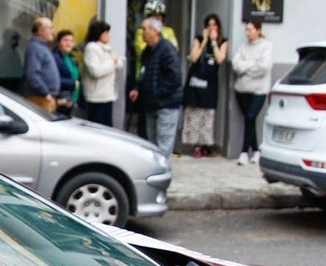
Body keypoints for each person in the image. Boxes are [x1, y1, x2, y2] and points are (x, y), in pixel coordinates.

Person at [128, 17, 182, 156]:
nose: (142, 32)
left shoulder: (167, 50)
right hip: (151, 104)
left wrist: (157, 92)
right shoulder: (147, 51)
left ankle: (162, 173)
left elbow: (175, 77)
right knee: (152, 144)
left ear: (154, 31)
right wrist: (137, 88)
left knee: (163, 145)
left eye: (144, 29)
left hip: (165, 105)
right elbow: (144, 73)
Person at [183, 13, 227, 158]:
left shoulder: (223, 42)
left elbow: (220, 59)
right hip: (196, 82)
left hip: (210, 84)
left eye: (214, 25)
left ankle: (206, 144)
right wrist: (204, 42)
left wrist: (214, 42)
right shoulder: (199, 39)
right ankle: (195, 145)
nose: (211, 28)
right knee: (194, 112)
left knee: (207, 115)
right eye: (209, 25)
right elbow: (194, 57)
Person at [232, 19, 273, 165]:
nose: (248, 33)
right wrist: (252, 63)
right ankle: (256, 151)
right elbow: (236, 65)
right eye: (246, 30)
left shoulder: (266, 46)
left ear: (258, 30)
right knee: (249, 120)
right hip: (242, 89)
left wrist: (245, 64)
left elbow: (264, 67)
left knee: (250, 117)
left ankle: (244, 152)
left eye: (250, 29)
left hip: (259, 90)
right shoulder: (243, 46)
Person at [80, 20, 122, 127]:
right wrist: (112, 61)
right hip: (96, 97)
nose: (108, 36)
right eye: (106, 33)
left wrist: (114, 61)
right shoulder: (92, 48)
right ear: (98, 34)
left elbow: (119, 64)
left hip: (107, 95)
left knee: (108, 127)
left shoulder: (107, 47)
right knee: (97, 128)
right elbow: (96, 71)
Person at [22, 17, 61, 112]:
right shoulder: (35, 48)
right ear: (40, 31)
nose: (53, 31)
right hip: (40, 98)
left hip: (45, 97)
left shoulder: (43, 47)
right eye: (50, 28)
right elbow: (32, 75)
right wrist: (46, 93)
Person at [52, 30, 81, 117]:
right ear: (59, 42)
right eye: (65, 40)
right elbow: (53, 79)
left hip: (72, 99)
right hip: (61, 99)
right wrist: (72, 83)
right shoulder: (55, 58)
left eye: (71, 41)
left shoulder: (72, 58)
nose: (68, 43)